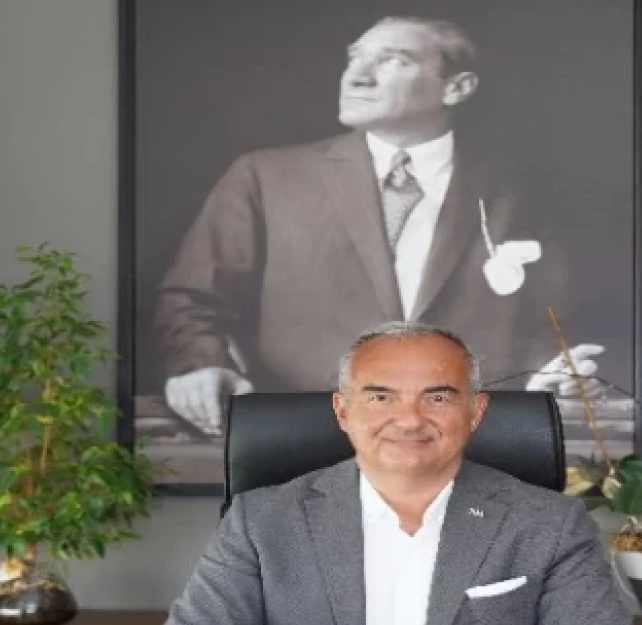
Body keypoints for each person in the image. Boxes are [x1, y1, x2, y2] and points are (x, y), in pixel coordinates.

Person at [153, 15, 606, 437]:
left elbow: (548, 321)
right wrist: (201, 365)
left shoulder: (518, 192)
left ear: (456, 87)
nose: (356, 76)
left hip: (471, 439)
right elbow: (192, 300)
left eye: (393, 60)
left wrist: (549, 374)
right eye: (354, 58)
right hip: (303, 436)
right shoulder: (265, 178)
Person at [149, 322, 642, 625]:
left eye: (437, 397)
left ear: (475, 412)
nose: (409, 420)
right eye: (380, 396)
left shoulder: (549, 521)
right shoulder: (261, 519)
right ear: (344, 412)